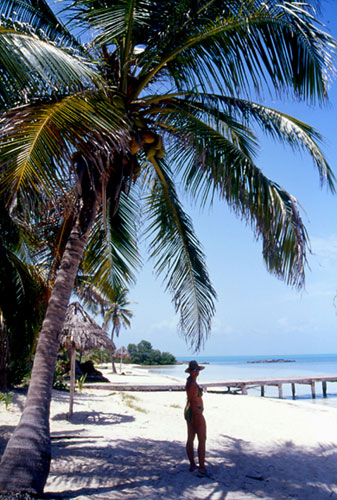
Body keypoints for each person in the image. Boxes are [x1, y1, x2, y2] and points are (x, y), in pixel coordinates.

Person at [184, 360, 208, 477]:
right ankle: (201, 467)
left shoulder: (190, 381)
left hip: (191, 412)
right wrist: (196, 415)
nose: (196, 372)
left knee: (191, 438)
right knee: (202, 439)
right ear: (190, 372)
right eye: (194, 370)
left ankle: (192, 464)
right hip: (196, 413)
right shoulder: (192, 384)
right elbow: (193, 401)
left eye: (197, 370)